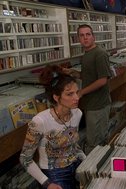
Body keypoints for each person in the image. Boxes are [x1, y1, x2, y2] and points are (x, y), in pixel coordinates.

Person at [20, 65, 85, 189]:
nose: (76, 97)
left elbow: (73, 145)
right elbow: (25, 159)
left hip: (76, 166)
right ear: (56, 97)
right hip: (54, 174)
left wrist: (87, 161)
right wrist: (46, 183)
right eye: (70, 94)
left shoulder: (77, 113)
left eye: (76, 92)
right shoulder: (40, 121)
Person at [64, 24, 112, 153]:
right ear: (78, 39)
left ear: (93, 37)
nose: (85, 38)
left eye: (88, 34)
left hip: (98, 105)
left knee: (96, 142)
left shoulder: (100, 54)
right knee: (95, 139)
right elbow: (90, 77)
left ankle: (97, 169)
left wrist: (81, 92)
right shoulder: (86, 55)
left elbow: (102, 80)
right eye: (82, 35)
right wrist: (75, 73)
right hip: (91, 104)